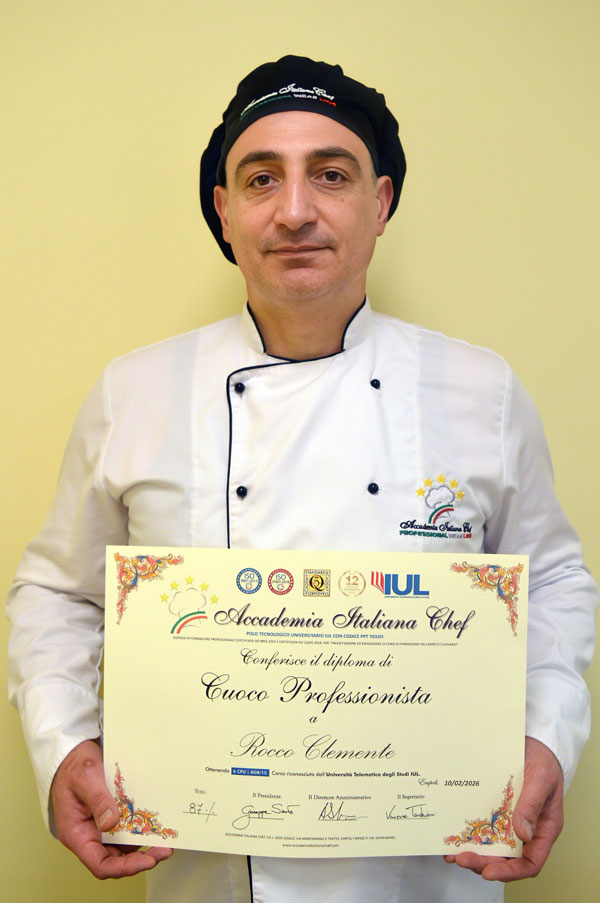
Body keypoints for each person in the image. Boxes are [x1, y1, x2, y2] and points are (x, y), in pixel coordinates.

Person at [8, 55, 597, 903]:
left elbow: (555, 581)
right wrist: (64, 743)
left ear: (380, 202)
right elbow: (57, 593)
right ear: (224, 210)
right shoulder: (134, 392)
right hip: (209, 873)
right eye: (260, 179)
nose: (294, 211)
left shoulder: (481, 389)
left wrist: (547, 737)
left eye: (330, 174)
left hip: (429, 876)